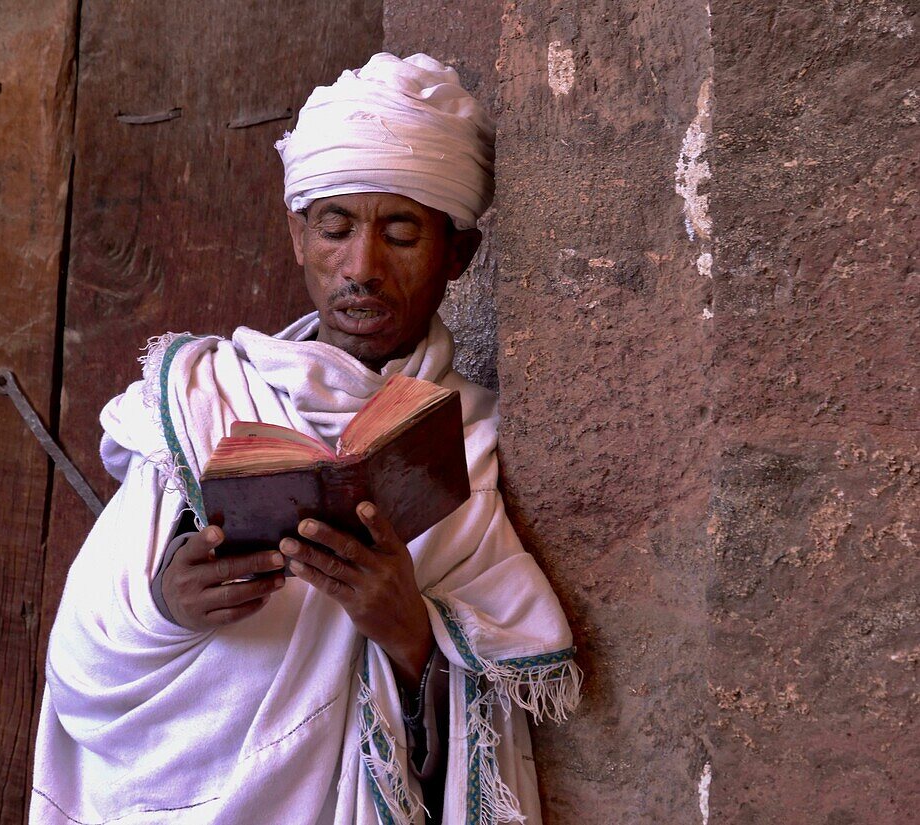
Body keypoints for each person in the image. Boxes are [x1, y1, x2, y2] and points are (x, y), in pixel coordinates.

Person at [31, 53, 581, 825]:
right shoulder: (202, 404)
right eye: (335, 228)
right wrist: (168, 603)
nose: (361, 267)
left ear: (458, 256)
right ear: (297, 237)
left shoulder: (473, 444)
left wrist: (409, 632)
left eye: (400, 233)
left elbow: (487, 719)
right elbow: (85, 658)